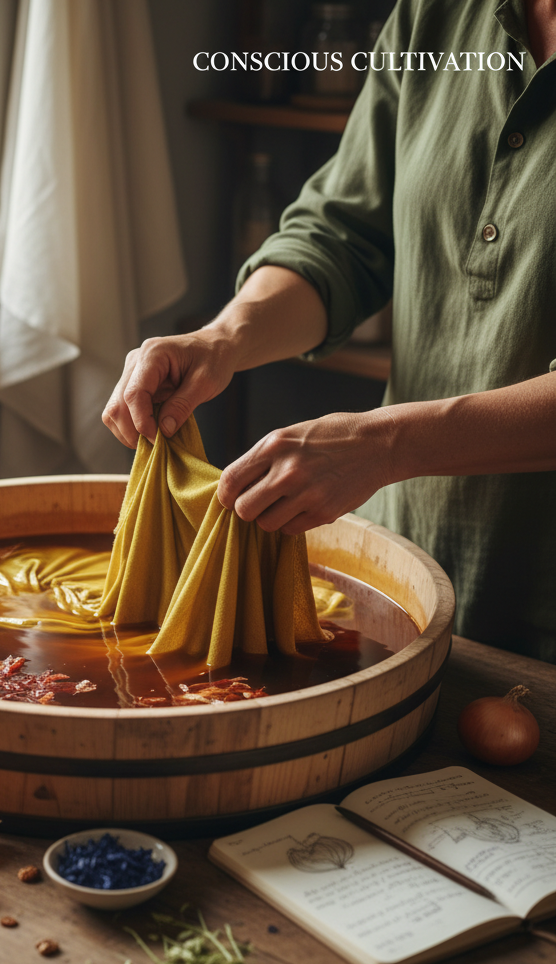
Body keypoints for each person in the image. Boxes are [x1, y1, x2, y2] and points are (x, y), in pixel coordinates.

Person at [103, 0, 556, 663]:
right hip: (412, 567)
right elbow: (344, 236)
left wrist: (386, 445)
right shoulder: (440, 14)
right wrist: (222, 340)